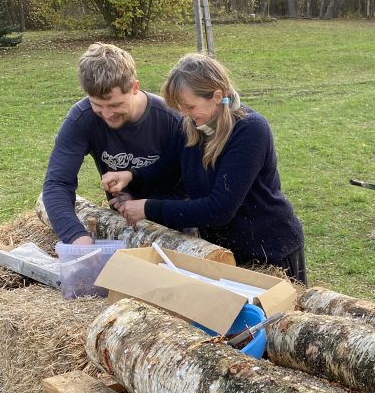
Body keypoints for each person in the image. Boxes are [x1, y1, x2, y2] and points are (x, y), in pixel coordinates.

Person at [102, 53, 307, 284]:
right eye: (181, 107)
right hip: (225, 253)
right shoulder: (193, 125)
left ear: (217, 96)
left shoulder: (250, 130)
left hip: (271, 251)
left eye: (190, 106)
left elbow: (219, 209)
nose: (185, 114)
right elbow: (165, 172)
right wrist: (130, 176)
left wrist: (148, 208)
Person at [42, 43, 184, 245]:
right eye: (97, 105)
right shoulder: (81, 119)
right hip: (124, 228)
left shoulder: (171, 119)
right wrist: (76, 237)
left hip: (177, 230)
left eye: (115, 105)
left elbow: (191, 185)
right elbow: (57, 183)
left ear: (134, 88)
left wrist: (145, 205)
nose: (107, 114)